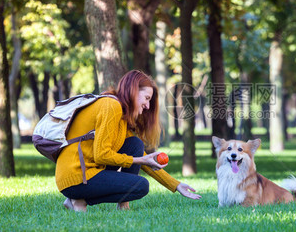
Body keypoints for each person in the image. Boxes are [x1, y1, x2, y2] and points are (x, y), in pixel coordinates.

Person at [56, 70, 201, 212]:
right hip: (76, 177)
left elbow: (143, 157)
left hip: (86, 173)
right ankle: (78, 200)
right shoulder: (111, 106)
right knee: (141, 185)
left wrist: (176, 185)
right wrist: (138, 160)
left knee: (135, 144)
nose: (148, 106)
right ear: (133, 90)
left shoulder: (120, 113)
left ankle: (121, 206)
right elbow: (101, 155)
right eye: (147, 98)